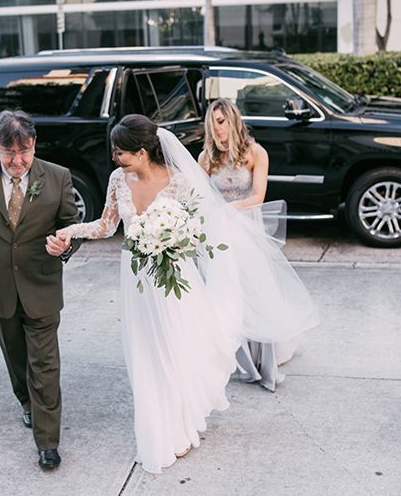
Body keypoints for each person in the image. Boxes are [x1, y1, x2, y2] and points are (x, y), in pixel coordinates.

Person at [54, 114, 318, 473]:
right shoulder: (118, 179)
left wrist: (175, 239)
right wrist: (72, 230)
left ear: (143, 151)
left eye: (121, 152)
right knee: (146, 356)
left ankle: (181, 423)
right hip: (137, 282)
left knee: (179, 349)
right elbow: (106, 225)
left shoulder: (179, 181)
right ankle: (159, 432)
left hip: (174, 278)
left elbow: (202, 226)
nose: (115, 158)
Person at [0, 109, 80, 471]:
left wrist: (65, 245)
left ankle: (47, 442)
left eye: (24, 152)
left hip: (41, 285)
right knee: (16, 359)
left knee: (43, 364)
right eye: (9, 153)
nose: (18, 161)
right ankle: (26, 402)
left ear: (33, 144)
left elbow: (71, 226)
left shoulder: (57, 177)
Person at [199, 98, 309, 391]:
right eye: (212, 124)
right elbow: (202, 197)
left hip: (245, 229)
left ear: (233, 120)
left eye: (221, 122)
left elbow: (258, 197)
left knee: (254, 292)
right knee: (224, 293)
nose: (217, 129)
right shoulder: (206, 158)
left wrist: (227, 210)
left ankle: (262, 355)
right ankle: (231, 355)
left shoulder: (255, 153)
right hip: (219, 233)